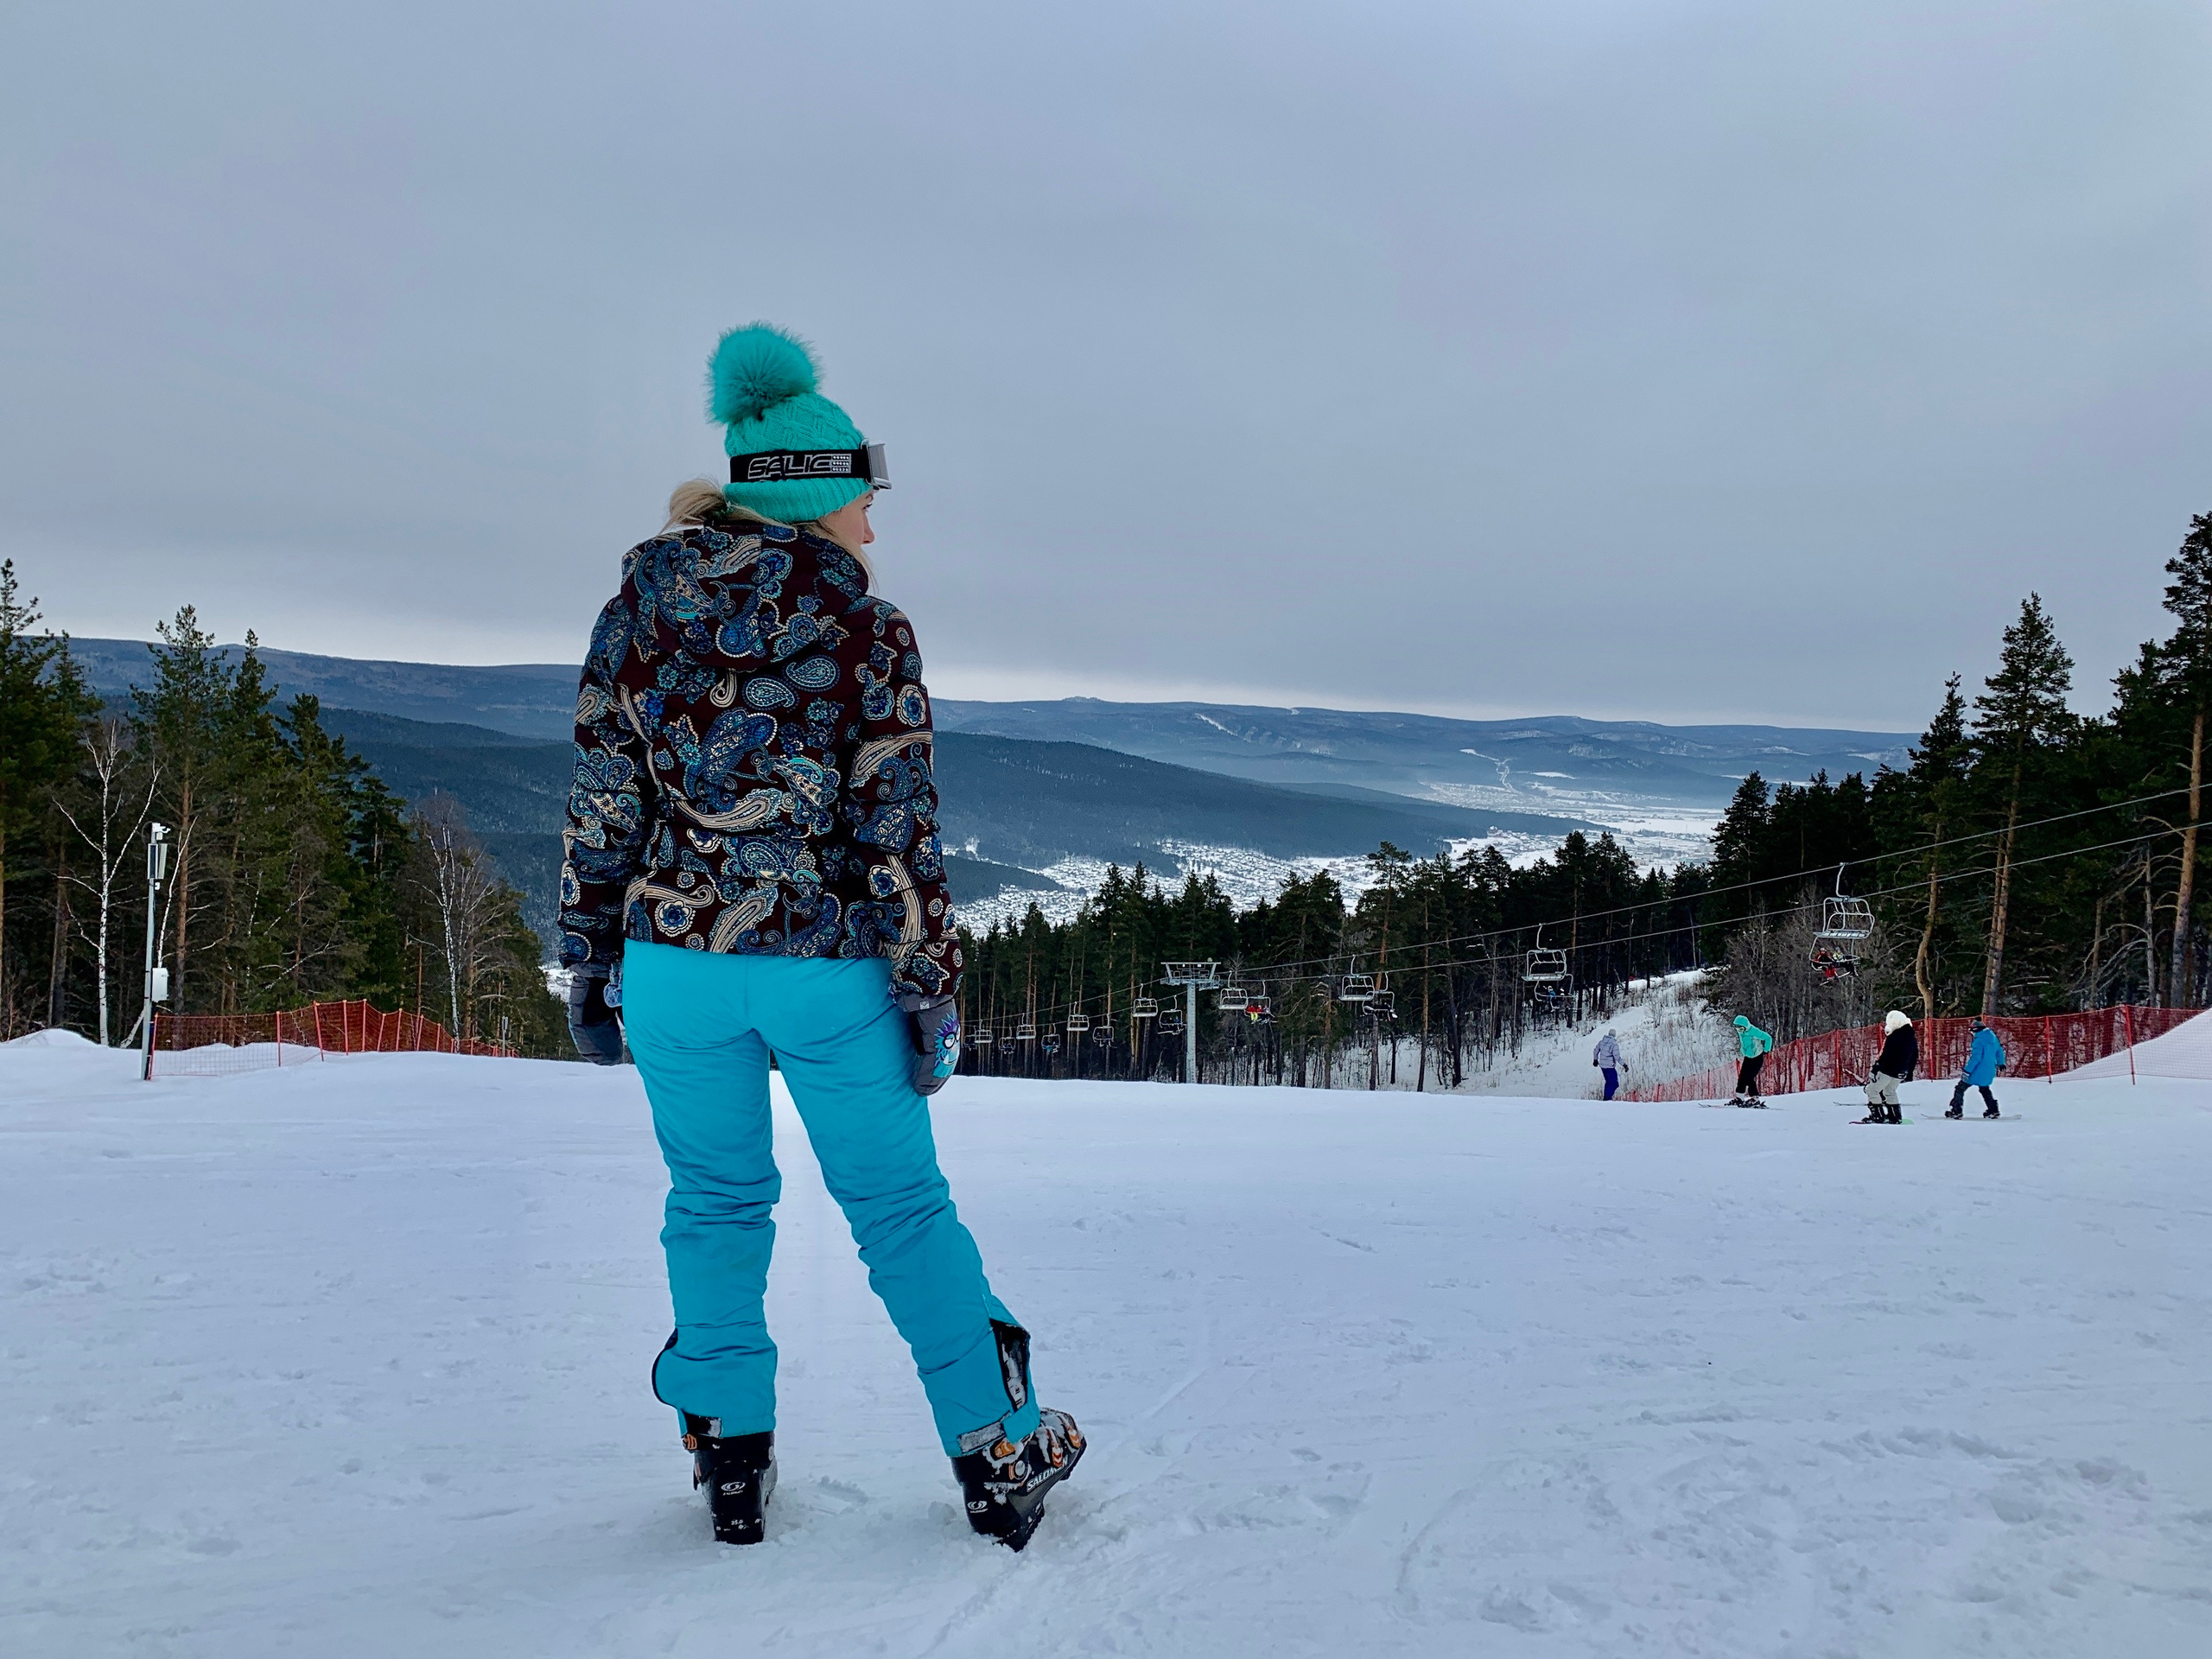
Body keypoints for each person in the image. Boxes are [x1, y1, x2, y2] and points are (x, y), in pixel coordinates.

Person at [558, 323, 1082, 1551]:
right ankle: (1000, 1448)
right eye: (863, 494)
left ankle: (728, 1453)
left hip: (675, 966)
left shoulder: (636, 610)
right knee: (900, 1210)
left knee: (714, 1200)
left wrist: (589, 954)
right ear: (811, 491)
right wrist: (930, 984)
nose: (874, 523)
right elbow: (898, 827)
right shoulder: (868, 630)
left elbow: (602, 799)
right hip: (826, 971)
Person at [1857, 1009, 1918, 1124]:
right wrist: (1908, 1072)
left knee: (1872, 1090)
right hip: (1901, 1071)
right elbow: (1914, 1057)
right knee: (1889, 1091)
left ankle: (1877, 1116)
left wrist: (1875, 1069)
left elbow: (1886, 1056)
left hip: (1888, 1070)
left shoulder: (1894, 1037)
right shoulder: (1911, 1038)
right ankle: (1895, 1116)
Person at [1947, 1016, 2005, 1118]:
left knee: (1960, 1088)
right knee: (1984, 1089)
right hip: (1990, 1070)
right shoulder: (1992, 1037)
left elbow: (1976, 1058)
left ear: (1975, 1030)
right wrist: (2001, 1063)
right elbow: (1999, 1051)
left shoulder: (1978, 1041)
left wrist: (1967, 1070)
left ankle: (1957, 1111)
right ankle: (1993, 1110)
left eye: (1971, 1031)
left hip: (1977, 1071)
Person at [1730, 1014, 1773, 1106]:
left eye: (1740, 1028)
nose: (1739, 1031)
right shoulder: (1742, 1032)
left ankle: (1755, 1098)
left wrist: (1766, 1050)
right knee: (1742, 1077)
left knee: (1749, 1078)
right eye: (1737, 1028)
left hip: (1757, 1058)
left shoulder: (1753, 1031)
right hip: (1748, 1058)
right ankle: (1739, 1098)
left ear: (1745, 1026)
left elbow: (1768, 1037)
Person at [1592, 1028, 1624, 1100]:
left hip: (1602, 1066)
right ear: (1615, 1035)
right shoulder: (1614, 1044)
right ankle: (1607, 1098)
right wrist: (1624, 1065)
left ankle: (1606, 1097)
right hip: (1610, 1066)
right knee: (1614, 1083)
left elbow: (1595, 1051)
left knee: (1608, 1082)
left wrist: (1595, 1060)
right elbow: (1617, 1057)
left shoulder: (1602, 1042)